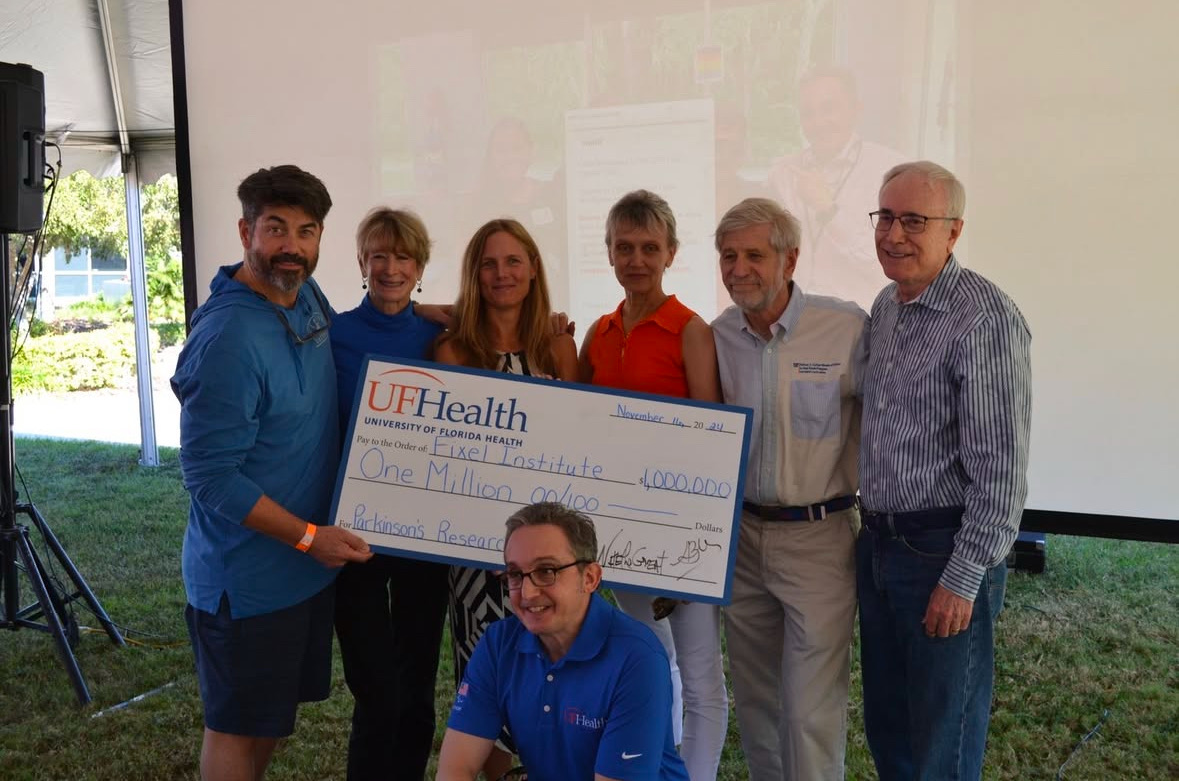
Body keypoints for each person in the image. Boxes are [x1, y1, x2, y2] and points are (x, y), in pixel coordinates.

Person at [171, 164, 372, 781]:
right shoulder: (228, 338)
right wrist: (309, 538)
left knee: (269, 724)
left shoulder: (302, 292)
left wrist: (425, 312)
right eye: (276, 228)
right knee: (236, 730)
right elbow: (210, 477)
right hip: (247, 582)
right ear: (245, 232)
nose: (292, 246)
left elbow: (344, 336)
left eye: (306, 231)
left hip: (300, 575)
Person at [858, 160, 1031, 780]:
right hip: (878, 546)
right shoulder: (887, 305)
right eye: (885, 217)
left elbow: (1001, 473)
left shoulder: (984, 318)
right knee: (890, 729)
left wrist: (961, 580)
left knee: (942, 742)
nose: (893, 235)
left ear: (954, 231)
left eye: (914, 221)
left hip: (940, 552)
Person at [711, 197, 866, 781]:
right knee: (757, 705)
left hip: (818, 541)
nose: (739, 270)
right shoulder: (718, 337)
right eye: (729, 256)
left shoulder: (845, 329)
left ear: (790, 259)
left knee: (808, 712)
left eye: (754, 255)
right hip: (744, 542)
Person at [578, 189, 727, 781]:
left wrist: (692, 537)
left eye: (649, 248)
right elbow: (575, 422)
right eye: (624, 248)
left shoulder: (690, 330)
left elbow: (711, 435)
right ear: (609, 253)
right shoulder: (598, 331)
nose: (636, 259)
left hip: (680, 535)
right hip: (618, 533)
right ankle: (657, 768)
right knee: (648, 658)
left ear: (671, 253)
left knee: (701, 675)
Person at [435, 218, 579, 777]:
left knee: (554, 678)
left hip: (550, 555)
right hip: (478, 557)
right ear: (474, 275)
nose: (502, 274)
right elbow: (447, 458)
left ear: (533, 268)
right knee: (488, 685)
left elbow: (584, 447)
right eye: (488, 264)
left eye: (513, 261)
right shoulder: (452, 352)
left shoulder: (559, 347)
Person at [437, 502, 690, 781]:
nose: (528, 592)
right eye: (515, 574)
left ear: (590, 578)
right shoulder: (498, 644)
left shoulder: (638, 659)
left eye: (547, 571)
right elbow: (455, 769)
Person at [329, 207, 449, 781]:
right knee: (377, 692)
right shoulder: (332, 335)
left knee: (418, 689)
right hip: (354, 532)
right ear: (362, 262)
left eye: (404, 257)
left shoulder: (440, 339)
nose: (391, 268)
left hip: (425, 533)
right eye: (379, 256)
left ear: (420, 267)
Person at [768, 66, 905, 310]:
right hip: (795, 317)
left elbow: (887, 261)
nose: (818, 122)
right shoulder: (783, 173)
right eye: (808, 113)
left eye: (829, 109)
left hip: (861, 320)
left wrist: (828, 211)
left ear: (856, 110)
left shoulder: (891, 171)